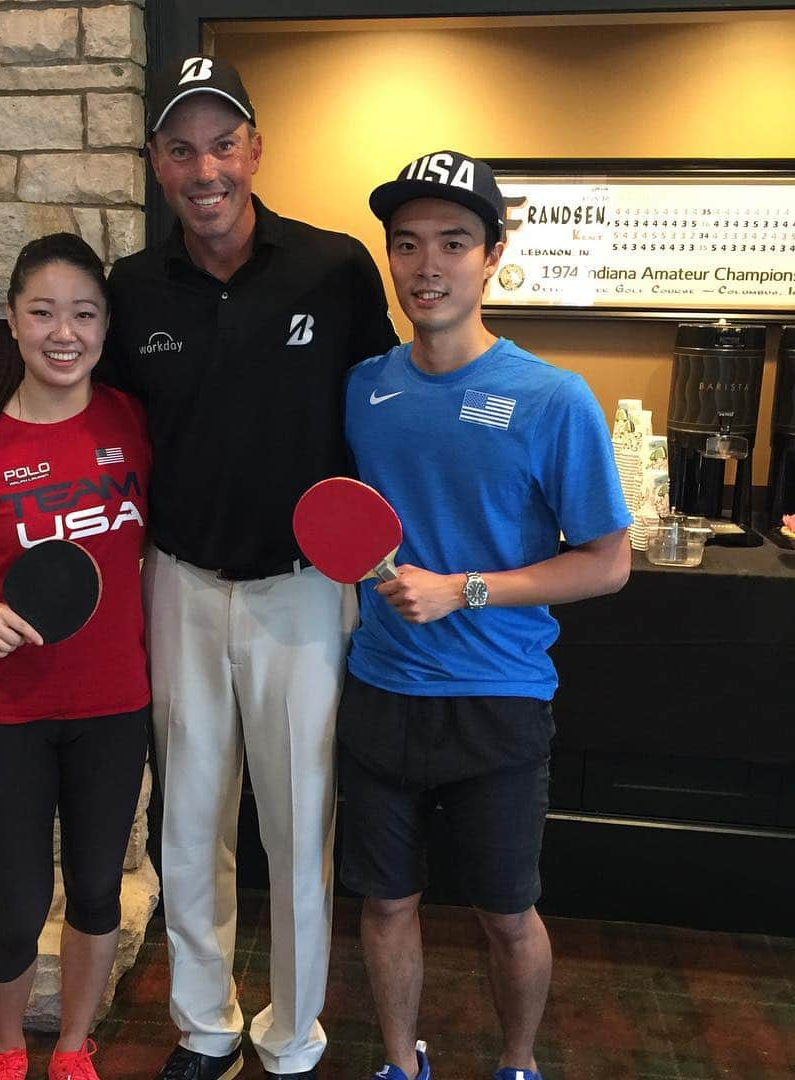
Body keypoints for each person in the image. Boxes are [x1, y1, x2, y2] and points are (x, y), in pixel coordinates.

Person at [0, 56, 397, 1080]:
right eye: (181, 148)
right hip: (175, 583)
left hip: (305, 590)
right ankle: (206, 1021)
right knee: (189, 817)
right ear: (156, 164)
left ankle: (294, 1030)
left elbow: (384, 402)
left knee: (300, 818)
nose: (204, 166)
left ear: (256, 152)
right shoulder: (131, 288)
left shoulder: (335, 268)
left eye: (222, 143)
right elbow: (73, 390)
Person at [337, 151, 632, 1080]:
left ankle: (516, 1063)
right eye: (408, 244)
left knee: (506, 913)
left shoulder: (554, 399)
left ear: (493, 256)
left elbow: (608, 563)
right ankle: (399, 1064)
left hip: (498, 701)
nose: (428, 265)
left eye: (454, 243)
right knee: (386, 904)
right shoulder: (363, 389)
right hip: (381, 692)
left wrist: (462, 588)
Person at [0, 233, 151, 1080]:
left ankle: (75, 1049)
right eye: (43, 311)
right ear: (11, 322)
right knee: (17, 907)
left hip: (115, 704)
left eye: (83, 313)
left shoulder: (133, 420)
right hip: (2, 711)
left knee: (95, 891)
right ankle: (9, 1051)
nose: (64, 331)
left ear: (104, 325)